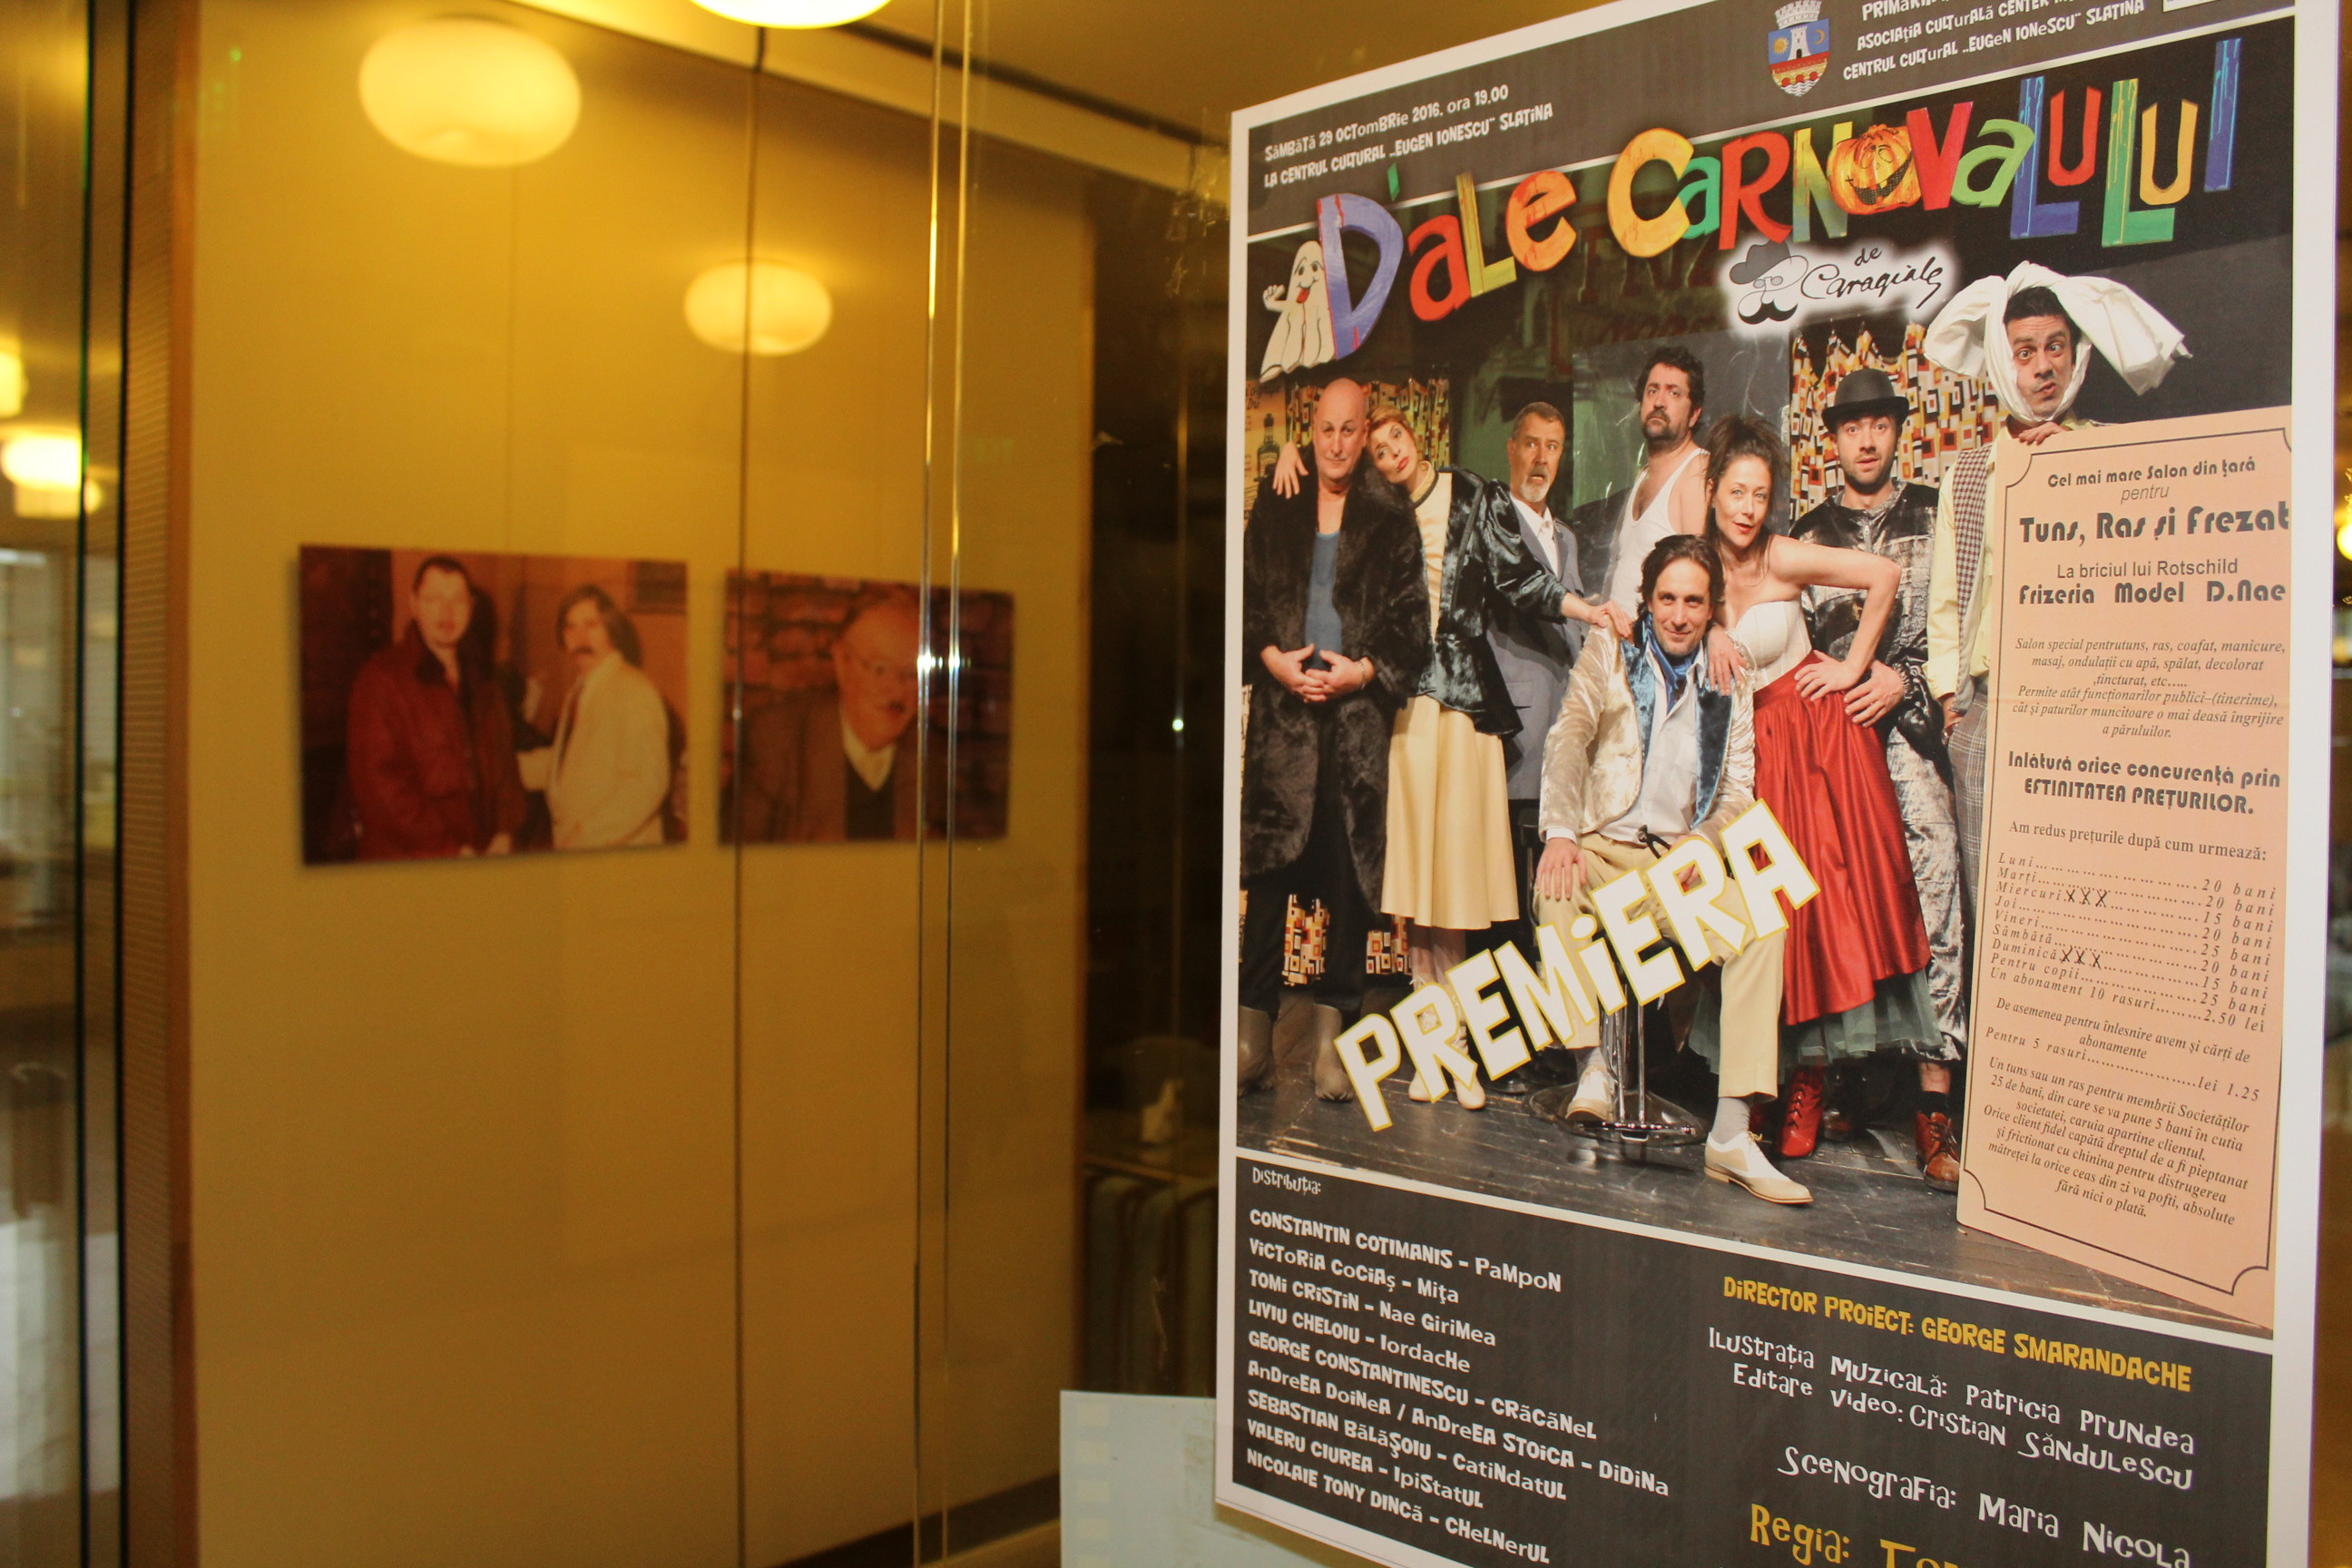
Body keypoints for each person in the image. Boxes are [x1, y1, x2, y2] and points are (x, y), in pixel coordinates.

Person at [1268, 405, 1628, 1050]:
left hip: (1460, 700)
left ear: (1415, 435)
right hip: (1402, 701)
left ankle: (1459, 1030)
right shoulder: (1376, 514)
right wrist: (1288, 453)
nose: (1392, 454)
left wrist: (1587, 610)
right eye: (1379, 450)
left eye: (1395, 439)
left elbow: (1519, 577)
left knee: (1455, 870)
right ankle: (1434, 1029)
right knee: (1416, 872)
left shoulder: (1472, 494)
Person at [1531, 534, 1803, 1205]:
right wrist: (1561, 832)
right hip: (1600, 847)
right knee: (1556, 891)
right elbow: (1570, 736)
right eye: (1668, 599)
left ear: (1712, 609)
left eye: (1694, 603)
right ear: (1647, 600)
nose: (1679, 616)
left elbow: (1737, 787)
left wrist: (1703, 845)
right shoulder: (1611, 648)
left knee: (1762, 925)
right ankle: (1593, 1070)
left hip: (1674, 865)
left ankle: (1732, 1134)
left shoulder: (1730, 670)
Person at [1922, 264, 2188, 926]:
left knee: (2083, 892)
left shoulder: (2115, 454)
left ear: (2076, 354)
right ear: (2003, 364)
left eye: (2055, 347)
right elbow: (1947, 602)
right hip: (1988, 709)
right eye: (2025, 352)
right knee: (1995, 899)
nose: (2043, 366)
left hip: (2085, 710)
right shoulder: (1971, 474)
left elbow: (2157, 569)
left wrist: (2078, 462)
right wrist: (1953, 704)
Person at [1700, 415, 1934, 1163]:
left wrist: (1851, 667)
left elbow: (1884, 576)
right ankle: (1754, 1087)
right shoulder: (1696, 567)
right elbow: (1656, 620)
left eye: (1760, 495)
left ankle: (1807, 1081)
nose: (1747, 509)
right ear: (1712, 493)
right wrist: (1709, 628)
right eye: (1736, 492)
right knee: (1759, 922)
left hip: (1810, 743)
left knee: (1815, 918)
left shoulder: (1782, 554)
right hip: (1741, 760)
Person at [1790, 369, 1965, 1189]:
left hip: (1912, 735)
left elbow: (1956, 625)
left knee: (1935, 897)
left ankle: (1934, 1107)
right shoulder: (1810, 530)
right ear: (1833, 439)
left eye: (1880, 425)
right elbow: (1794, 644)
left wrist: (1908, 682)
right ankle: (1846, 1083)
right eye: (1852, 427)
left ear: (1900, 432)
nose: (1866, 440)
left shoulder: (1935, 514)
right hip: (1836, 741)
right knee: (1841, 906)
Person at [1239, 377, 1431, 1102]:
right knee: (1268, 881)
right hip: (1283, 721)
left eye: (1351, 430)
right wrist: (1270, 659)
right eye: (1326, 429)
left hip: (1354, 727)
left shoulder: (1391, 512)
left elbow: (1412, 624)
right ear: (1310, 429)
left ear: (1363, 430)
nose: (1338, 444)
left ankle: (1332, 1044)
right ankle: (1252, 1041)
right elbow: (1246, 596)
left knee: (1348, 882)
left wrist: (1364, 673)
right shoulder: (1279, 497)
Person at [346, 555, 527, 860]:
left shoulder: (485, 682)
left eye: (457, 600)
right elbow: (382, 790)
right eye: (433, 599)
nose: (446, 611)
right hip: (412, 862)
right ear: (414, 605)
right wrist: (450, 849)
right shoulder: (380, 679)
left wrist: (504, 832)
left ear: (470, 607)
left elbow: (506, 769)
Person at [733, 590, 926, 843]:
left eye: (912, 673)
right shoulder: (777, 742)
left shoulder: (931, 758)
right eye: (880, 669)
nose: (896, 689)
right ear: (842, 663)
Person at [518, 585, 674, 850]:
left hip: (614, 854)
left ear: (612, 629)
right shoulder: (581, 690)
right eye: (570, 627)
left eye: (591, 625)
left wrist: (587, 834)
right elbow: (569, 763)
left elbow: (645, 785)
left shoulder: (634, 691)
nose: (580, 638)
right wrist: (501, 769)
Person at [1599, 347, 1711, 616]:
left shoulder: (1696, 469)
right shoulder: (1644, 474)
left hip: (1656, 640)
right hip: (1617, 637)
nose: (1659, 402)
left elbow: (1698, 579)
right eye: (1652, 391)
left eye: (1674, 393)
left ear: (1694, 414)